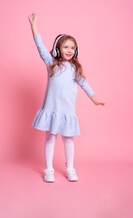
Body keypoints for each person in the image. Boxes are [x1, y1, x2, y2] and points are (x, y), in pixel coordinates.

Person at [28, 12, 106, 183]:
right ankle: (49, 169)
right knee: (50, 138)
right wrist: (33, 25)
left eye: (72, 47)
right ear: (58, 49)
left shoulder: (75, 69)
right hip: (52, 110)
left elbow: (84, 84)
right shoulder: (51, 64)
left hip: (67, 112)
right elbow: (40, 46)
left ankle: (70, 168)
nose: (69, 50)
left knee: (68, 140)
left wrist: (95, 99)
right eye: (65, 47)